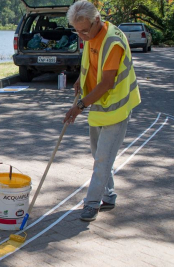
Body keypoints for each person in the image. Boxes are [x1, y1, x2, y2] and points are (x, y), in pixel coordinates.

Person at [63, 0, 141, 222]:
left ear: (97, 21)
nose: (82, 36)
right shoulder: (89, 34)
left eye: (84, 31)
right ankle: (108, 195)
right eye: (77, 32)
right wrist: (81, 78)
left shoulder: (113, 42)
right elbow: (91, 62)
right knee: (99, 156)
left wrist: (78, 107)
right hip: (98, 106)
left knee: (103, 159)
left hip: (116, 108)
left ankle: (91, 203)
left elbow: (106, 83)